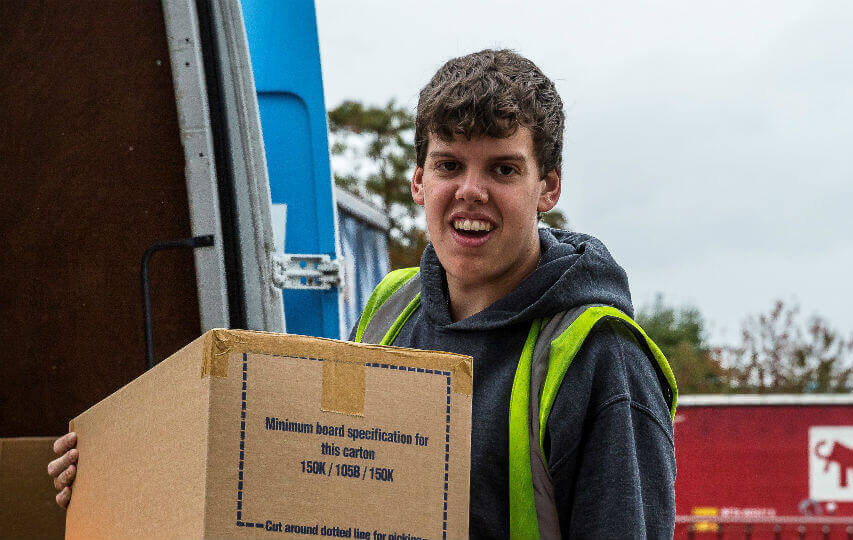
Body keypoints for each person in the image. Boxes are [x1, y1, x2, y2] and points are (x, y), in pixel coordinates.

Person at [49, 49, 677, 538]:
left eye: (504, 169)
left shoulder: (600, 359)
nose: (470, 192)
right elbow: (300, 482)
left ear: (550, 188)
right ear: (417, 181)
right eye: (449, 165)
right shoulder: (392, 307)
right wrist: (121, 471)